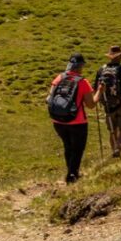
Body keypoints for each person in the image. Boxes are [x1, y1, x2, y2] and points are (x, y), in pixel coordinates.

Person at [49, 53, 94, 183]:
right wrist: (99, 92)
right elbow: (91, 105)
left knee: (68, 147)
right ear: (81, 66)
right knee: (77, 149)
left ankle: (71, 172)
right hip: (77, 122)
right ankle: (72, 175)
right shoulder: (83, 82)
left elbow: (50, 97)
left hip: (58, 120)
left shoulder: (59, 78)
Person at [93, 45, 121, 157]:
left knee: (113, 130)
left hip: (108, 105)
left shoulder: (101, 70)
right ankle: (118, 149)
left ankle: (114, 151)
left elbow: (96, 88)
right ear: (120, 56)